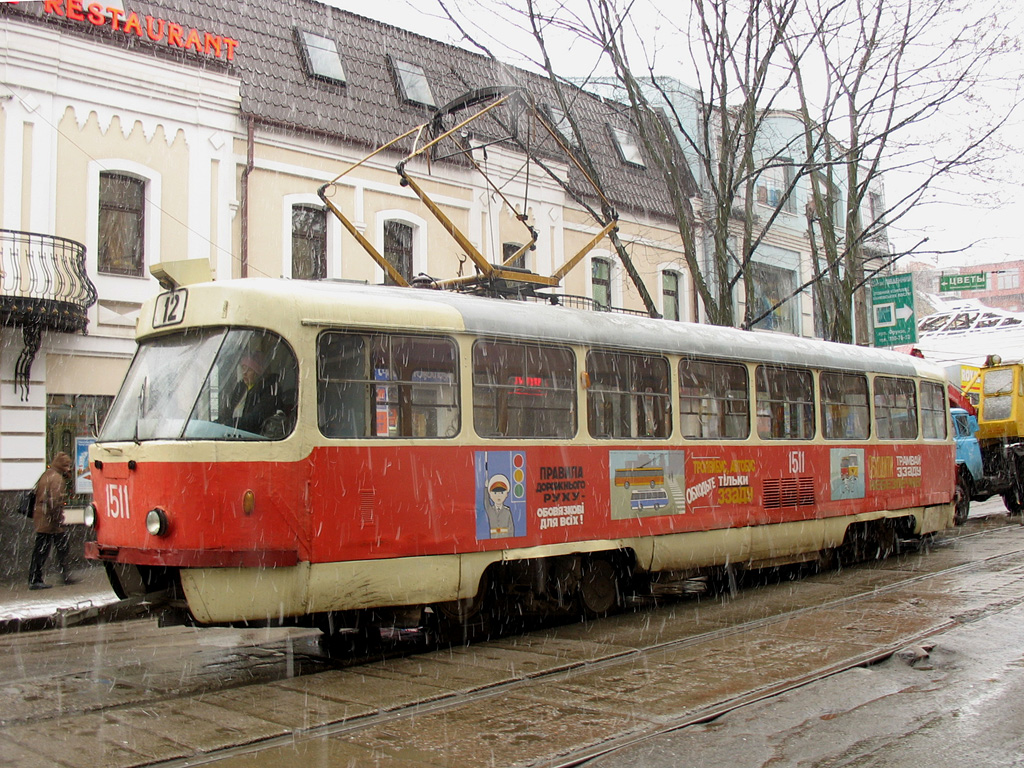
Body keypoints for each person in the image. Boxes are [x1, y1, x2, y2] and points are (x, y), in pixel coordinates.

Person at [28, 452, 75, 590]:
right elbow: (55, 502)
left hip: (43, 518)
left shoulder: (47, 474)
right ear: (61, 465)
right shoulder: (56, 478)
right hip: (49, 521)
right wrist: (58, 519)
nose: (68, 468)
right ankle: (37, 578)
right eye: (66, 465)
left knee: (45, 549)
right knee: (51, 549)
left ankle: (58, 575)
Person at [225, 353, 282, 434]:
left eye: (249, 370)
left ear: (257, 373)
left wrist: (229, 424)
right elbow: (228, 412)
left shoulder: (268, 391)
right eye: (243, 368)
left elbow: (255, 419)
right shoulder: (240, 388)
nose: (244, 373)